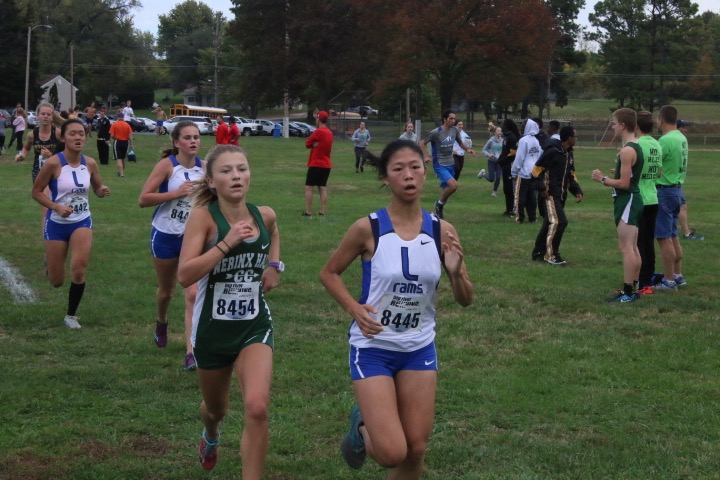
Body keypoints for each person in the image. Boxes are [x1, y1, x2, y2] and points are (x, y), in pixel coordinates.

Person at [319, 139, 473, 478]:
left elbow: (465, 298)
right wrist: (354, 309)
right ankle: (361, 426)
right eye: (398, 169)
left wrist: (456, 272)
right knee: (391, 452)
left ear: (425, 172)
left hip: (418, 348)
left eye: (415, 167)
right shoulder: (368, 228)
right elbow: (329, 273)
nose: (408, 175)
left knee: (416, 448)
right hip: (373, 348)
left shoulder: (441, 231)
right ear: (386, 178)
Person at [177, 144, 281, 476]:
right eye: (226, 171)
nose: (236, 176)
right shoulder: (203, 219)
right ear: (210, 181)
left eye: (242, 168)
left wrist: (275, 266)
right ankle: (210, 435)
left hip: (254, 324)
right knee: (215, 409)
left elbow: (274, 231)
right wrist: (227, 243)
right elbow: (185, 275)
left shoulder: (263, 214)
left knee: (257, 407)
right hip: (211, 330)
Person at [30, 119, 111, 328]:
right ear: (63, 137)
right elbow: (36, 192)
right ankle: (50, 262)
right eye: (73, 134)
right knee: (56, 281)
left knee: (78, 268)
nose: (78, 138)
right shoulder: (53, 163)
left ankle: (71, 315)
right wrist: (56, 207)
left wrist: (101, 191)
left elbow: (97, 188)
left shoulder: (90, 163)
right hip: (56, 223)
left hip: (81, 221)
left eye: (81, 134)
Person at [139, 121, 205, 371]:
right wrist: (175, 193)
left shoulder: (205, 169)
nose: (193, 142)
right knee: (167, 291)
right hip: (166, 234)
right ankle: (162, 321)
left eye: (196, 137)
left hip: (193, 239)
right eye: (187, 137)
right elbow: (143, 199)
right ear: (176, 142)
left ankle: (191, 352)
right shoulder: (168, 166)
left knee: (192, 292)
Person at [591, 108, 644, 302]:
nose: (612, 126)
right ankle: (634, 288)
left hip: (628, 199)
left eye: (614, 123)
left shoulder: (627, 150)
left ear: (622, 125)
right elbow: (628, 176)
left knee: (626, 248)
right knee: (633, 247)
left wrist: (602, 178)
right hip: (631, 199)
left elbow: (624, 184)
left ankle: (628, 292)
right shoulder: (634, 146)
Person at [530, 126, 583, 264]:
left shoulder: (568, 154)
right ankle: (552, 256)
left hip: (561, 195)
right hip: (550, 195)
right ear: (569, 138)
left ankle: (538, 253)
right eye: (575, 136)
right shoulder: (552, 152)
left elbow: (570, 174)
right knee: (560, 222)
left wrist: (577, 190)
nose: (576, 139)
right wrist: (542, 189)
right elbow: (535, 171)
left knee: (549, 222)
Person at [653, 105, 687, 291]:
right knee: (673, 235)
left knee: (663, 237)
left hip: (664, 191)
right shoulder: (682, 137)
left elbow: (655, 166)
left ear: (661, 120)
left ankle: (668, 280)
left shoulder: (665, 140)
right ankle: (677, 274)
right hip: (677, 190)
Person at [419, 110, 475, 219]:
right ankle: (439, 205)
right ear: (444, 119)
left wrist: (468, 149)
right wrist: (426, 156)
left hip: (451, 163)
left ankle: (435, 212)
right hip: (439, 164)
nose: (453, 121)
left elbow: (460, 142)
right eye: (451, 118)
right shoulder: (437, 132)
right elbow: (422, 142)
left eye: (454, 118)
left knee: (446, 190)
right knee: (453, 186)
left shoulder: (454, 130)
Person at [635, 111, 662, 294]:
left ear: (636, 126)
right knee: (648, 242)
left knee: (638, 244)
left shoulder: (636, 144)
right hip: (653, 197)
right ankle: (648, 279)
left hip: (639, 199)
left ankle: (641, 282)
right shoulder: (656, 144)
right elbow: (658, 173)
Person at [15, 102, 61, 183]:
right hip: (38, 171)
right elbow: (26, 148)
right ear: (38, 116)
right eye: (43, 114)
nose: (46, 116)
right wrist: (22, 155)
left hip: (56, 170)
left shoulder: (58, 133)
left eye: (48, 114)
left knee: (54, 194)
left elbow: (67, 152)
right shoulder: (32, 135)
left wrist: (51, 155)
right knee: (38, 194)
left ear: (52, 117)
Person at [511, 119, 542, 223]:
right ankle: (532, 217)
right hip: (534, 173)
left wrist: (514, 172)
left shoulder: (523, 140)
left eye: (523, 126)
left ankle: (520, 217)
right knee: (532, 196)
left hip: (523, 173)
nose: (521, 128)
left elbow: (519, 158)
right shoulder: (536, 140)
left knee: (520, 195)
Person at [303, 110, 334, 217]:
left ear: (318, 119)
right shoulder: (330, 133)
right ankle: (322, 211)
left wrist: (313, 144)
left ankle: (308, 212)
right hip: (326, 164)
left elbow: (307, 143)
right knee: (322, 187)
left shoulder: (318, 131)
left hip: (316, 163)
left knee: (309, 187)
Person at [497, 119, 521, 216]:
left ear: (507, 126)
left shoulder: (511, 138)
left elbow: (512, 153)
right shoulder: (506, 137)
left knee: (510, 188)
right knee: (506, 188)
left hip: (510, 166)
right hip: (505, 166)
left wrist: (502, 160)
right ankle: (508, 209)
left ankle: (513, 209)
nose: (501, 126)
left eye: (503, 125)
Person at [477, 123, 503, 197]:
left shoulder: (502, 140)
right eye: (498, 131)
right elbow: (483, 150)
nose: (500, 132)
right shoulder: (491, 141)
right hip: (491, 161)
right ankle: (483, 174)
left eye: (500, 131)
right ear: (495, 132)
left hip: (499, 162)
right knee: (492, 179)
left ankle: (494, 192)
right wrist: (488, 154)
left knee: (498, 177)